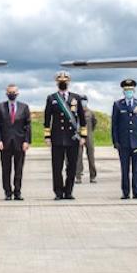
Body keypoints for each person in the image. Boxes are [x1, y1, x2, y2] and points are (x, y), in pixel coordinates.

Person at [44, 71, 87, 200]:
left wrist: (83, 136)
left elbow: (82, 118)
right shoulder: (52, 98)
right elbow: (47, 118)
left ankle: (68, 191)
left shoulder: (76, 98)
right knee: (57, 167)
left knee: (72, 167)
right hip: (57, 137)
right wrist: (47, 136)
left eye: (65, 79)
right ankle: (58, 192)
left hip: (72, 137)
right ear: (56, 82)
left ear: (69, 81)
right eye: (60, 80)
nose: (63, 82)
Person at [112, 79, 137, 200]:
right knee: (125, 169)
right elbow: (115, 125)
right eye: (126, 90)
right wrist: (115, 141)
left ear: (134, 90)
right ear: (123, 91)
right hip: (123, 143)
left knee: (136, 169)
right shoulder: (118, 104)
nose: (129, 92)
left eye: (131, 90)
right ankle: (125, 192)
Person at [0, 83, 31, 201]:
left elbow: (28, 125)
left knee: (18, 169)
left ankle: (18, 192)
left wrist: (27, 141)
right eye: (10, 93)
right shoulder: (0, 107)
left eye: (14, 92)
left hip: (20, 143)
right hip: (4, 143)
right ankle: (7, 192)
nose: (12, 94)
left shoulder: (24, 107)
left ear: (18, 93)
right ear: (6, 94)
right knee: (6, 169)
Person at [78, 95, 98, 183]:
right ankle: (78, 176)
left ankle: (92, 176)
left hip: (89, 136)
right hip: (78, 137)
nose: (83, 102)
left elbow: (94, 123)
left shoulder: (90, 113)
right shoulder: (76, 112)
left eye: (84, 100)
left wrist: (89, 132)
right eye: (81, 100)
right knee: (78, 157)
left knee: (91, 157)